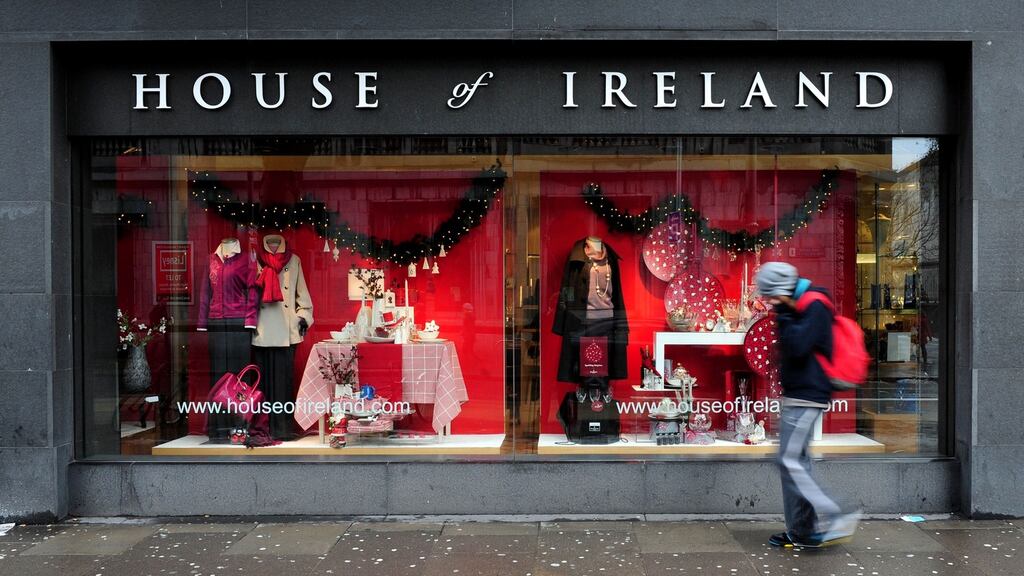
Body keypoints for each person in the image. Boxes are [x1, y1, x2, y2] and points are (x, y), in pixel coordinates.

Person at [754, 262, 861, 548]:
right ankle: (802, 531)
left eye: (771, 295)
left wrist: (785, 313)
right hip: (798, 394)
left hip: (808, 395)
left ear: (781, 289)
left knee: (789, 461)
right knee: (795, 463)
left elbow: (797, 346)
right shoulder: (799, 305)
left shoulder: (814, 305)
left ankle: (837, 514)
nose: (770, 302)